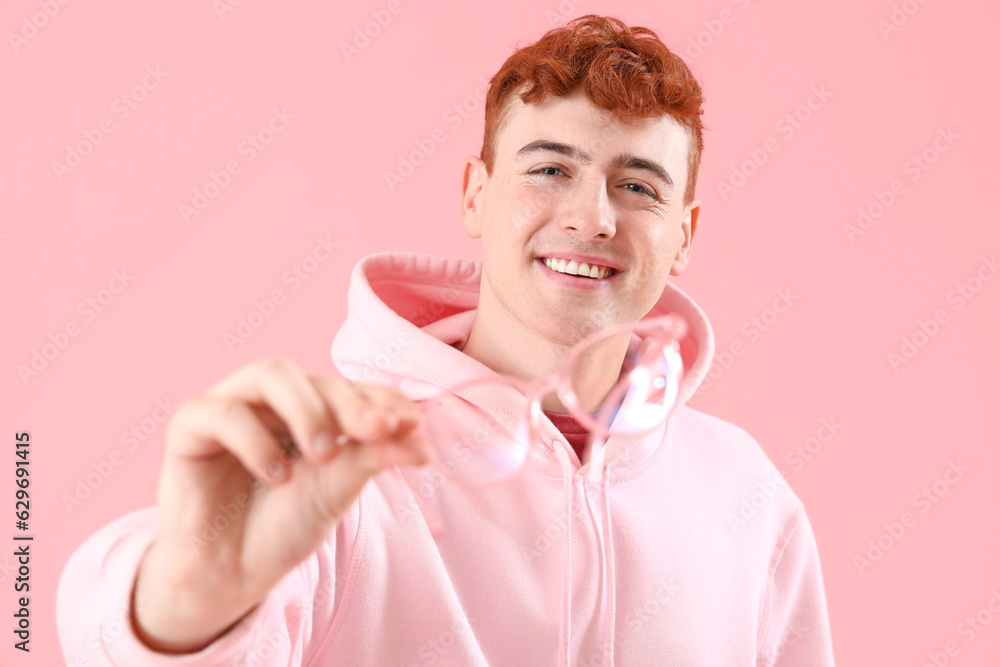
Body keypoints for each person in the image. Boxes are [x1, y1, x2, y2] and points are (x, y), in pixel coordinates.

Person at [57, 14, 836, 666]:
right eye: (550, 169)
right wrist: (184, 603)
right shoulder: (345, 465)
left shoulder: (748, 494)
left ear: (685, 234)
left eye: (637, 185)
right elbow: (112, 633)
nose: (592, 217)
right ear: (474, 195)